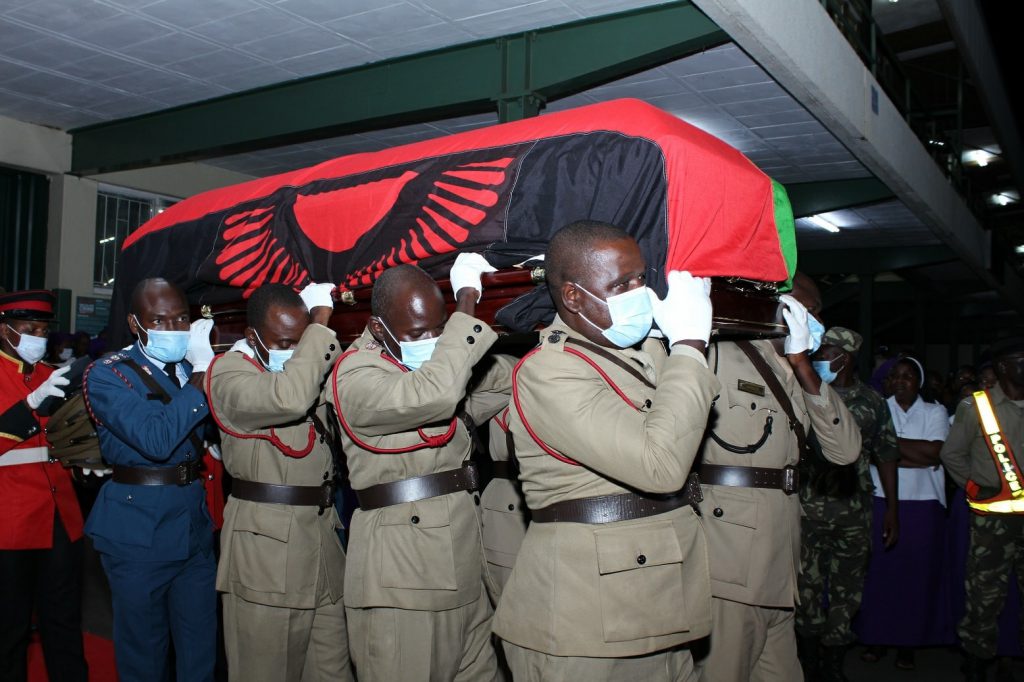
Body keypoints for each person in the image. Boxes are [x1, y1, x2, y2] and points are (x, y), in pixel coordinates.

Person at [492, 221, 719, 681]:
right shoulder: (550, 372)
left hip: (659, 599)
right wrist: (690, 345)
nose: (639, 292)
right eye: (621, 284)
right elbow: (661, 466)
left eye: (640, 278)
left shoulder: (632, 351)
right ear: (573, 297)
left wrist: (674, 343)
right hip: (585, 617)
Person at [329, 257, 513, 681]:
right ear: (379, 329)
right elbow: (437, 394)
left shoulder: (435, 369)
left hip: (464, 564)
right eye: (417, 333)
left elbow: (507, 381)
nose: (431, 340)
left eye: (438, 328)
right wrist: (467, 299)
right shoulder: (355, 376)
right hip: (402, 578)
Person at [695, 272, 862, 682]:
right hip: (730, 554)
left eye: (819, 311)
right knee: (725, 670)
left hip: (783, 554)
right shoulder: (721, 352)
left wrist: (804, 364)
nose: (815, 317)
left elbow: (845, 451)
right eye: (807, 307)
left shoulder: (797, 369)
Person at [205, 282, 352, 682]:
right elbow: (288, 399)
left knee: (333, 669)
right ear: (253, 338)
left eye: (301, 343)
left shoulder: (307, 368)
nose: (296, 351)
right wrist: (320, 322)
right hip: (266, 558)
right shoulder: (228, 375)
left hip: (321, 544)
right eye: (286, 342)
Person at [82, 277, 218, 682]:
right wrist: (201, 374)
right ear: (135, 323)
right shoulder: (108, 374)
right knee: (145, 652)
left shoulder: (185, 369)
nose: (174, 329)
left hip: (192, 526)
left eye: (181, 319)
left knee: (200, 649)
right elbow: (156, 440)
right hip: (138, 528)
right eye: (159, 320)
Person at [796, 327, 899, 681]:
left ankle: (834, 665)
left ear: (846, 357)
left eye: (826, 352)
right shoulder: (805, 394)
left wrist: (892, 511)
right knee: (806, 588)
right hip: (808, 509)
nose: (818, 357)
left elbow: (887, 454)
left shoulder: (872, 401)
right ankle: (808, 663)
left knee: (847, 590)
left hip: (854, 510)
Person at [0, 290, 88, 682]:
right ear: (5, 331)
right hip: (11, 519)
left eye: (41, 329)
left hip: (60, 515)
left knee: (64, 620)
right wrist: (28, 408)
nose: (37, 336)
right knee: (10, 625)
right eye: (28, 329)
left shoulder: (53, 375)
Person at [856, 356, 952, 671]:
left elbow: (935, 454)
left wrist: (886, 448)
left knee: (917, 576)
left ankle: (908, 643)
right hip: (881, 499)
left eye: (908, 376)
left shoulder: (934, 410)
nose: (900, 380)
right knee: (880, 575)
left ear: (918, 381)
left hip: (924, 503)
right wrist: (898, 451)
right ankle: (877, 637)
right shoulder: (878, 408)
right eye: (895, 375)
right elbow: (866, 450)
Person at [941, 337, 1024, 681]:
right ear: (1004, 366)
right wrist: (976, 487)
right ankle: (976, 663)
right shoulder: (976, 406)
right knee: (984, 597)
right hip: (994, 521)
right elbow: (952, 455)